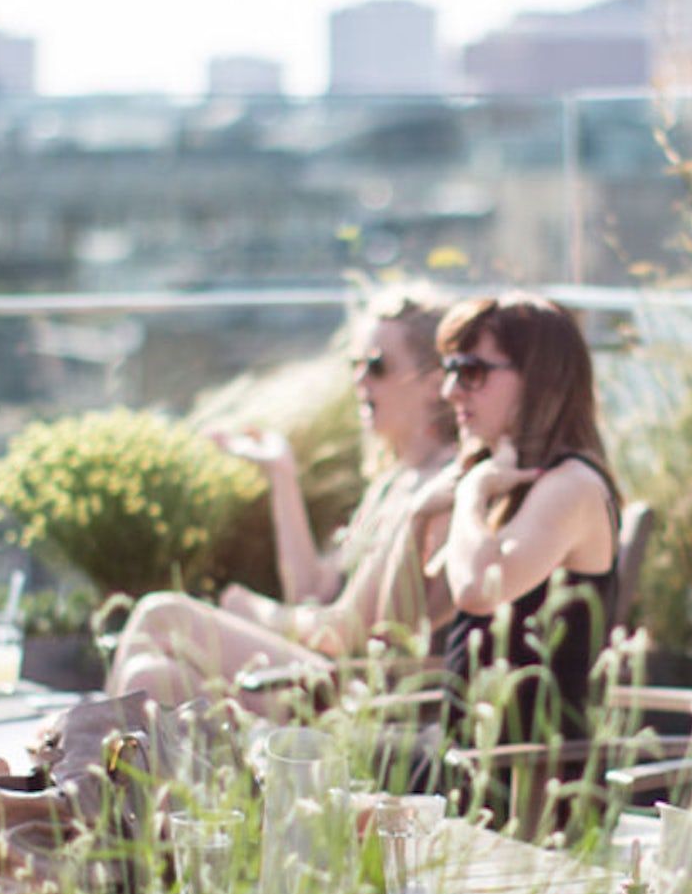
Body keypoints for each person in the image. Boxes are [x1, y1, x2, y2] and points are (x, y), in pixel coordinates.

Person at [106, 293, 460, 706]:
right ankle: (75, 761)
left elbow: (342, 632)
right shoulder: (392, 482)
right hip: (323, 679)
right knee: (149, 676)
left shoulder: (439, 490)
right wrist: (281, 473)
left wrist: (255, 610)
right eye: (355, 365)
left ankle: (62, 758)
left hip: (366, 696)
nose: (360, 380)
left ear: (435, 383)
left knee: (161, 614)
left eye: (377, 366)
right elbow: (310, 589)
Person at [423, 293, 621, 744]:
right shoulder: (511, 483)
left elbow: (477, 591)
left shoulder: (570, 487)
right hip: (470, 759)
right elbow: (425, 614)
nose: (449, 391)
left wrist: (472, 493)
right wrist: (423, 514)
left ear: (537, 381)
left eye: (471, 371)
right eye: (449, 370)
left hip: (526, 786)